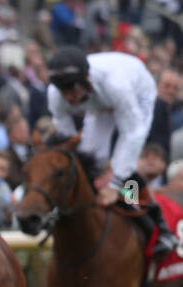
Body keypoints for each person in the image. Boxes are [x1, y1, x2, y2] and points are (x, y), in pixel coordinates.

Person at [47, 47, 177, 257]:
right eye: (62, 89)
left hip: (136, 90)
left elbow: (133, 135)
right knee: (91, 158)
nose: (68, 96)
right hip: (99, 100)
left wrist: (115, 184)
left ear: (86, 80)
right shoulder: (56, 95)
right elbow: (67, 143)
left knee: (122, 164)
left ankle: (158, 225)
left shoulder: (116, 85)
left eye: (71, 88)